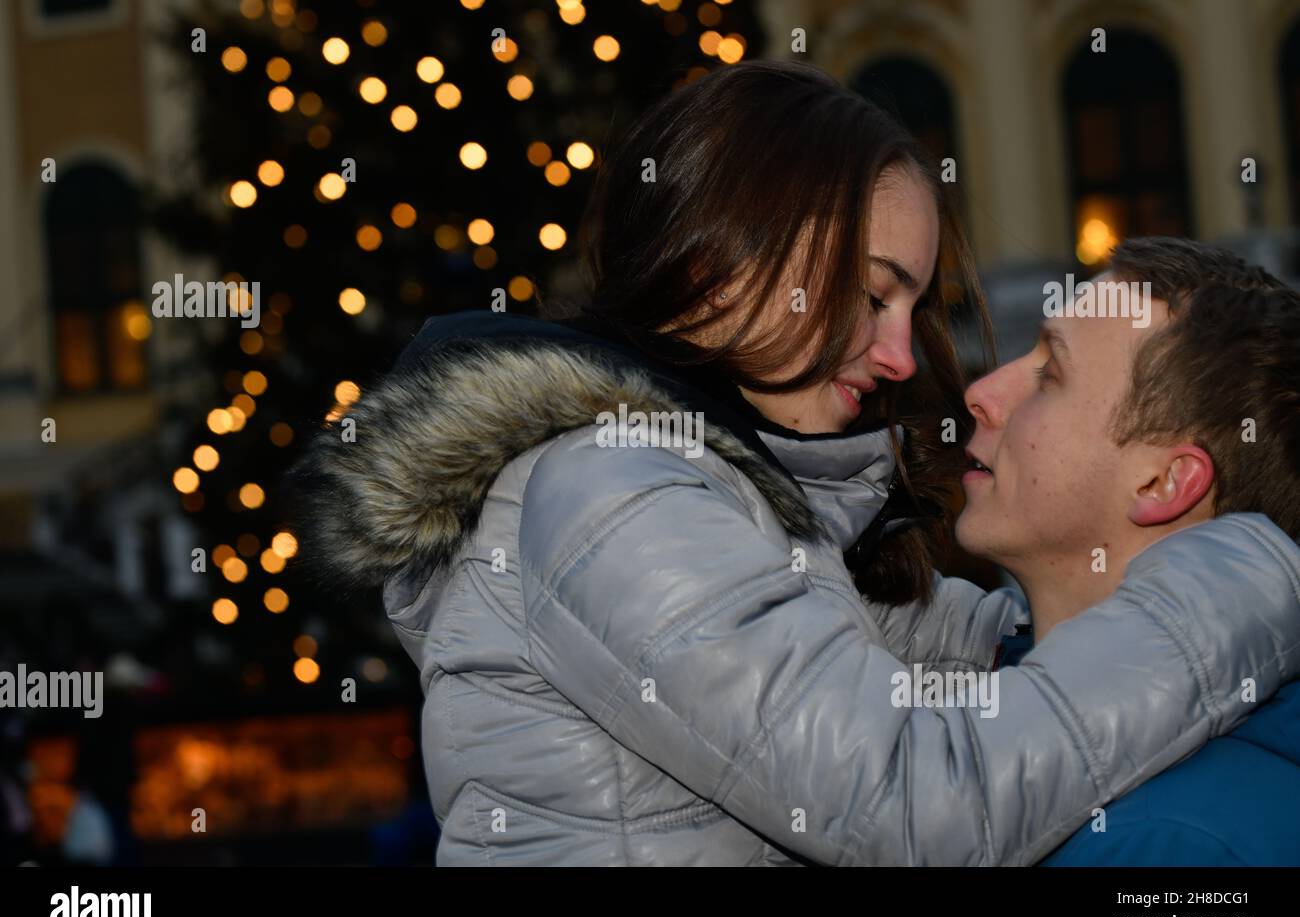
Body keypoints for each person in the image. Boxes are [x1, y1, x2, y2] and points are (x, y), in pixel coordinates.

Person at [294, 61, 1300, 865]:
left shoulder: (726, 500)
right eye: (872, 296)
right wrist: (1236, 582)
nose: (907, 358)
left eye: (911, 308)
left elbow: (928, 657)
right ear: (722, 262)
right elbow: (911, 801)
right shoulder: (611, 488)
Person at [953, 236, 1300, 865]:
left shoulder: (1169, 847)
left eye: (1050, 374)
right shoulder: (1000, 706)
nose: (983, 391)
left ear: (1162, 483)